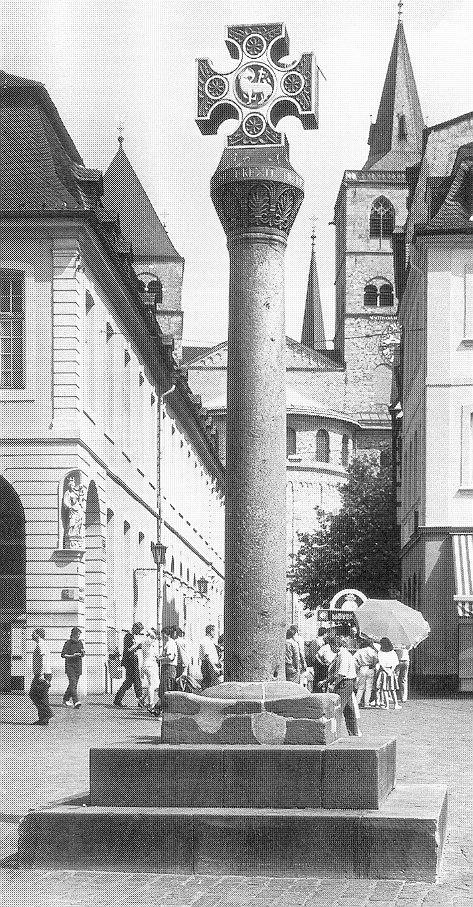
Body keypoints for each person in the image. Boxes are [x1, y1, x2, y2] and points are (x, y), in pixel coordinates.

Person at [326, 634, 360, 736]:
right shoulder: (341, 654)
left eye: (331, 646)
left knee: (337, 709)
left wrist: (333, 685)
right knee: (349, 710)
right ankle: (354, 733)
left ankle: (335, 733)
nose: (331, 649)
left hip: (344, 684)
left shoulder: (343, 655)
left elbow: (341, 673)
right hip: (347, 683)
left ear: (335, 645)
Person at [114, 622, 145, 708]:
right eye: (139, 630)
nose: (139, 632)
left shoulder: (131, 636)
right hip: (130, 662)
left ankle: (117, 699)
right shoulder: (128, 636)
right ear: (135, 628)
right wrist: (137, 647)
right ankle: (140, 701)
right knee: (137, 681)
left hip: (132, 661)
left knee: (128, 682)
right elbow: (128, 650)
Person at [29, 628, 54, 726]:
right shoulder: (40, 644)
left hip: (42, 674)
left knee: (34, 694)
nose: (32, 635)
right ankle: (43, 719)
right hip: (43, 674)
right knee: (42, 696)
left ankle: (47, 714)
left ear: (38, 635)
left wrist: (41, 675)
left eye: (33, 633)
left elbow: (43, 659)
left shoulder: (41, 644)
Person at [61, 627, 85, 708]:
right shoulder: (68, 643)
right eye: (77, 635)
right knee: (73, 684)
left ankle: (65, 699)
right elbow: (63, 655)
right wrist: (72, 656)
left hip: (78, 666)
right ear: (73, 635)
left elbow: (82, 654)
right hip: (70, 666)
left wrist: (82, 653)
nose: (78, 636)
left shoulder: (80, 643)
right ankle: (76, 701)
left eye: (79, 635)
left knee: (73, 685)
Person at [156, 626, 178, 707]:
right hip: (167, 668)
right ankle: (158, 708)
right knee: (163, 689)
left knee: (166, 689)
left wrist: (160, 659)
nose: (161, 636)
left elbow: (170, 658)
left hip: (169, 668)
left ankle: (164, 710)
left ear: (166, 634)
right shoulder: (168, 643)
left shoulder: (170, 644)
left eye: (162, 634)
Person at [376, 637, 401, 710]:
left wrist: (386, 671)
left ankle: (387, 705)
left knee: (385, 689)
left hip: (383, 672)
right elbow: (395, 663)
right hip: (391, 670)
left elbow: (381, 664)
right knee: (392, 689)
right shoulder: (392, 652)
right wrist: (391, 671)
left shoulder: (380, 652)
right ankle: (396, 704)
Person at [354, 636, 378, 708]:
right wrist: (373, 665)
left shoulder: (360, 650)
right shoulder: (373, 651)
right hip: (370, 668)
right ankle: (366, 702)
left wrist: (358, 665)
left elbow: (354, 659)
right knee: (369, 687)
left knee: (360, 687)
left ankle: (357, 702)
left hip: (362, 668)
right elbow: (376, 659)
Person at [141, 629, 160, 710]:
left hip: (148, 665)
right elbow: (150, 640)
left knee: (152, 685)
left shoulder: (150, 644)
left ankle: (142, 699)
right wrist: (153, 634)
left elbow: (156, 654)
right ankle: (150, 704)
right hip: (149, 665)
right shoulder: (147, 641)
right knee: (152, 685)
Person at [199, 624, 221, 689]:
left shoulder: (210, 641)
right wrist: (215, 668)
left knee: (212, 685)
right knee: (209, 686)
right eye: (214, 631)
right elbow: (207, 657)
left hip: (211, 665)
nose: (215, 633)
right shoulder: (206, 641)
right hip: (208, 665)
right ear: (211, 631)